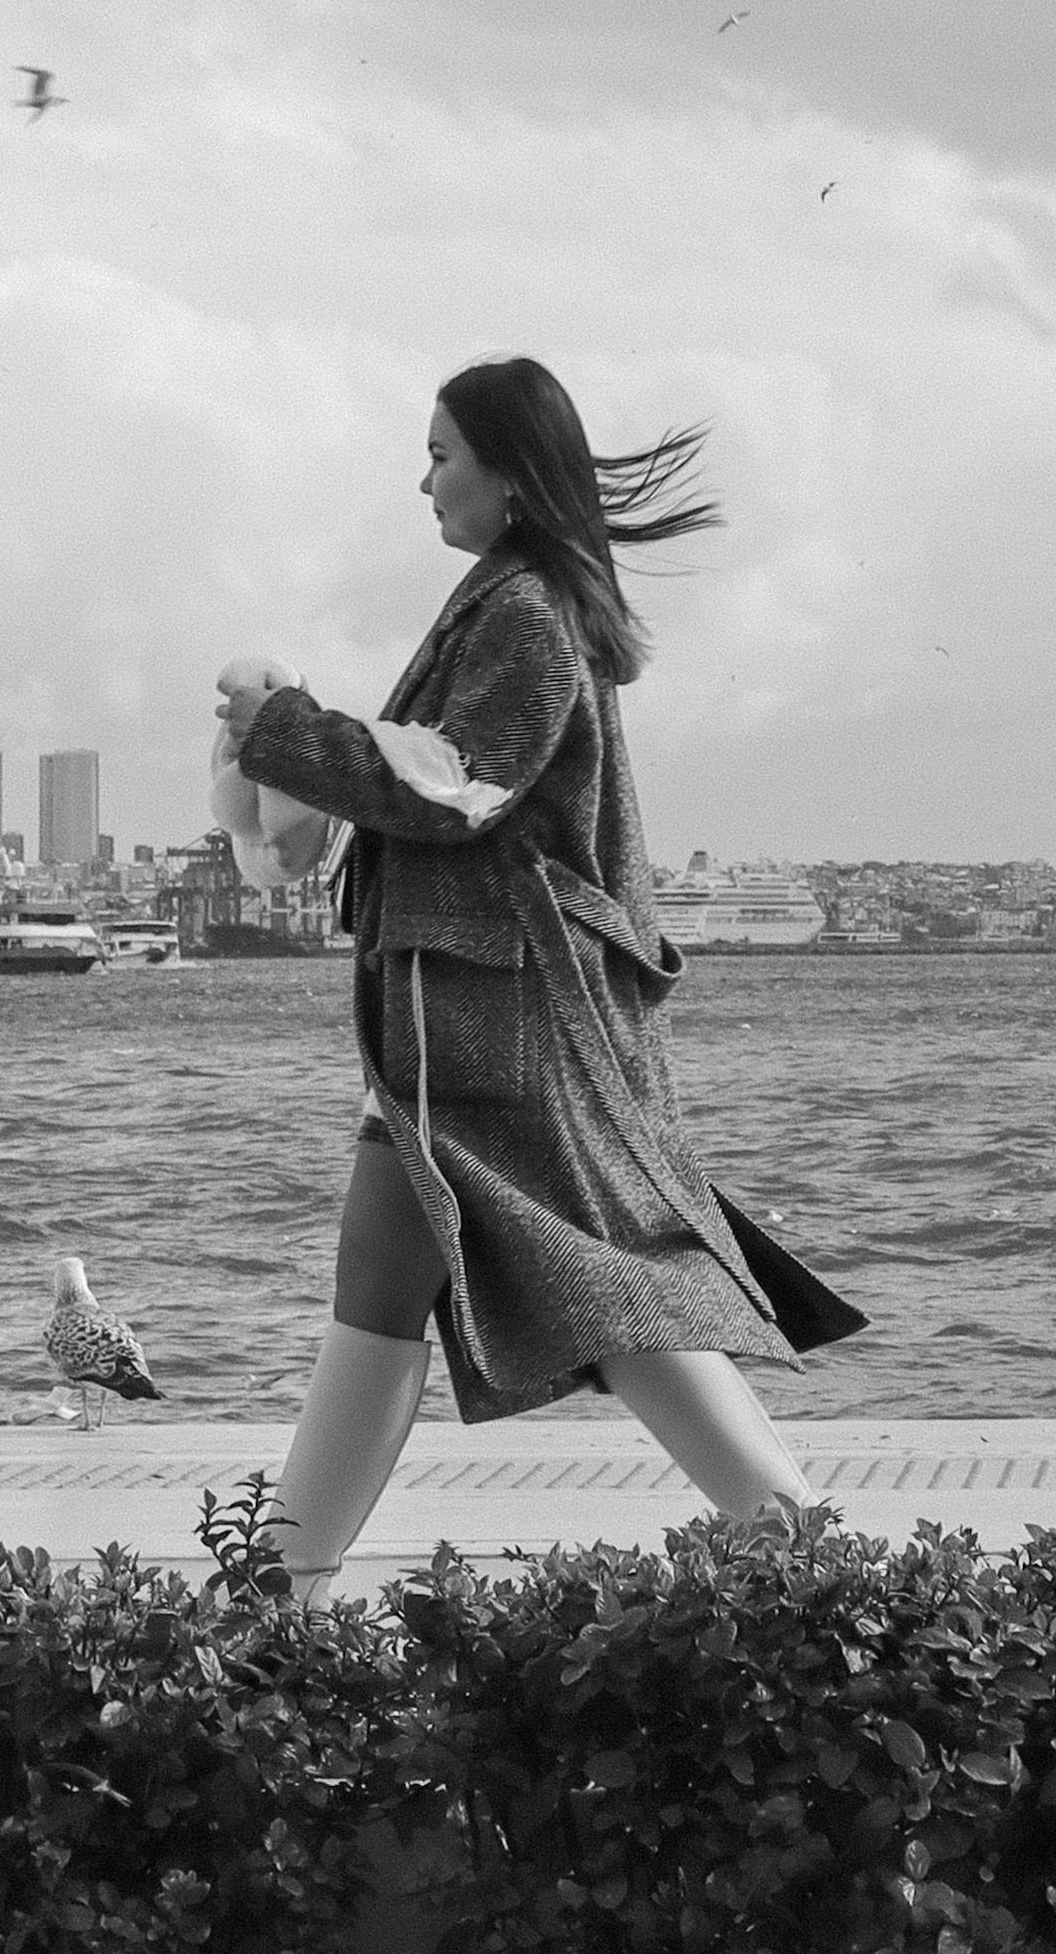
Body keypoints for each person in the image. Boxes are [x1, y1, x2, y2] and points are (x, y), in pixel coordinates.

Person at [222, 357, 861, 1595]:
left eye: (442, 453)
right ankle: (268, 1598)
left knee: (600, 1296)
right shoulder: (517, 599)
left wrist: (283, 727)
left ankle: (813, 1558)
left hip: (494, 1025)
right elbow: (444, 775)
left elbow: (457, 787)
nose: (423, 478)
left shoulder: (522, 613)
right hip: (467, 1022)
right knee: (459, 1292)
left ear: (510, 472)